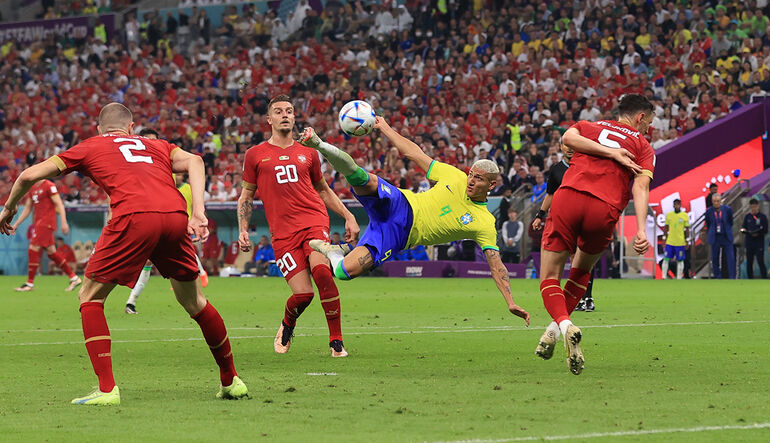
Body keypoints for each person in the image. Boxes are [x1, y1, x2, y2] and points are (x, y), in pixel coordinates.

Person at [0, 103, 247, 405]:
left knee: (90, 296)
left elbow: (28, 175)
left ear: (99, 128)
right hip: (173, 216)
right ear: (132, 128)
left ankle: (106, 390)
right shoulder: (156, 144)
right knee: (195, 301)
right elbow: (196, 160)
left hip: (134, 216)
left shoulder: (90, 146)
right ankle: (231, 380)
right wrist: (198, 212)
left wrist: (9, 208)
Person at [297, 118, 530, 326]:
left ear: (491, 186)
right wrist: (385, 128)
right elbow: (414, 154)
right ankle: (318, 144)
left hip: (397, 237)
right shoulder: (454, 175)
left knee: (344, 272)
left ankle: (336, 251)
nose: (471, 181)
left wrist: (510, 301)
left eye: (478, 179)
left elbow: (495, 263)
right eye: (471, 175)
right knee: (360, 178)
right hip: (401, 204)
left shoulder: (484, 223)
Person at [535, 94, 656, 375]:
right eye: (649, 122)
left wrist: (608, 150)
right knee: (581, 272)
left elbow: (568, 138)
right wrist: (640, 229)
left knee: (549, 276)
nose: (648, 128)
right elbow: (640, 188)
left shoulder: (591, 126)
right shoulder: (643, 146)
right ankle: (553, 331)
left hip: (569, 199)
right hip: (605, 208)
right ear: (639, 118)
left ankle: (564, 326)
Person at [238, 95, 360, 358]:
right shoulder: (255, 155)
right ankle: (287, 324)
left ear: (294, 117)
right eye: (279, 111)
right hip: (282, 235)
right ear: (269, 119)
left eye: (289, 111)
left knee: (324, 274)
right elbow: (246, 197)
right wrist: (243, 228)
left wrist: (348, 215)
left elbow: (324, 191)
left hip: (314, 223)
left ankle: (336, 341)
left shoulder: (308, 153)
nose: (285, 115)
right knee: (304, 295)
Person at [124, 128, 210, 315]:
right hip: (146, 221)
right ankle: (129, 301)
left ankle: (199, 291)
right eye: (146, 141)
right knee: (143, 265)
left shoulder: (173, 175)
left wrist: (197, 216)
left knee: (174, 264)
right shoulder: (137, 171)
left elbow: (195, 164)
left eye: (154, 141)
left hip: (175, 226)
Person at [532, 139, 596, 312]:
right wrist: (539, 216)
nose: (569, 150)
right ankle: (574, 298)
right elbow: (550, 194)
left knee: (583, 258)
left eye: (572, 146)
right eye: (566, 146)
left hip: (585, 217)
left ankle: (587, 298)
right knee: (571, 258)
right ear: (561, 147)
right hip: (564, 220)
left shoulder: (586, 165)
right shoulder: (556, 170)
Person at [10, 172, 82, 292]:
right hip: (39, 223)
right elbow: (28, 208)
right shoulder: (32, 188)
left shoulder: (49, 185)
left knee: (33, 249)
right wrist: (16, 224)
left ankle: (30, 284)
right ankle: (74, 278)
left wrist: (64, 222)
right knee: (51, 253)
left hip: (47, 223)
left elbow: (59, 203)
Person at [705, 193, 735, 279]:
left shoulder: (727, 209)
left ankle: (732, 276)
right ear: (712, 202)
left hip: (726, 235)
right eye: (714, 201)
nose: (716, 203)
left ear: (721, 201)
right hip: (715, 236)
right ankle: (717, 276)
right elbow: (708, 223)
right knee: (715, 258)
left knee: (730, 257)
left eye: (718, 201)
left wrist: (727, 229)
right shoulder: (709, 211)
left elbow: (730, 221)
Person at [662, 199, 690, 279]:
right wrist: (664, 239)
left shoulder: (684, 215)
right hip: (670, 242)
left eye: (678, 204)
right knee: (666, 259)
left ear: (680, 205)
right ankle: (663, 276)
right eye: (675, 204)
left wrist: (687, 240)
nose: (677, 206)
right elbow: (666, 228)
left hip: (680, 242)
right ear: (673, 205)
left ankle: (679, 277)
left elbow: (687, 229)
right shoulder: (669, 215)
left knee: (680, 260)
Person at [741, 198, 767, 279]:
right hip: (749, 242)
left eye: (755, 207)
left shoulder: (762, 217)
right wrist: (745, 231)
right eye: (752, 207)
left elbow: (765, 230)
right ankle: (750, 278)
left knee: (760, 260)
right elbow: (743, 227)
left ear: (758, 206)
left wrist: (758, 233)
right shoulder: (747, 217)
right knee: (749, 261)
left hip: (759, 242)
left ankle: (764, 278)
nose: (753, 209)